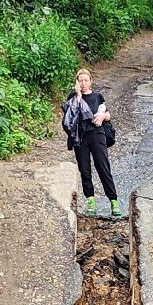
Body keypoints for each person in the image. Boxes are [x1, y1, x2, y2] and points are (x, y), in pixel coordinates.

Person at [63, 68, 122, 219]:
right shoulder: (73, 96)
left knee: (103, 166)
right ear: (76, 82)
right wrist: (77, 94)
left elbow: (107, 114)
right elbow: (70, 114)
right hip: (80, 137)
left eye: (85, 80)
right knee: (85, 169)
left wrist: (102, 116)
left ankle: (113, 200)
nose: (83, 83)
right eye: (80, 81)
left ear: (90, 82)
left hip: (97, 134)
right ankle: (90, 201)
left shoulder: (97, 96)